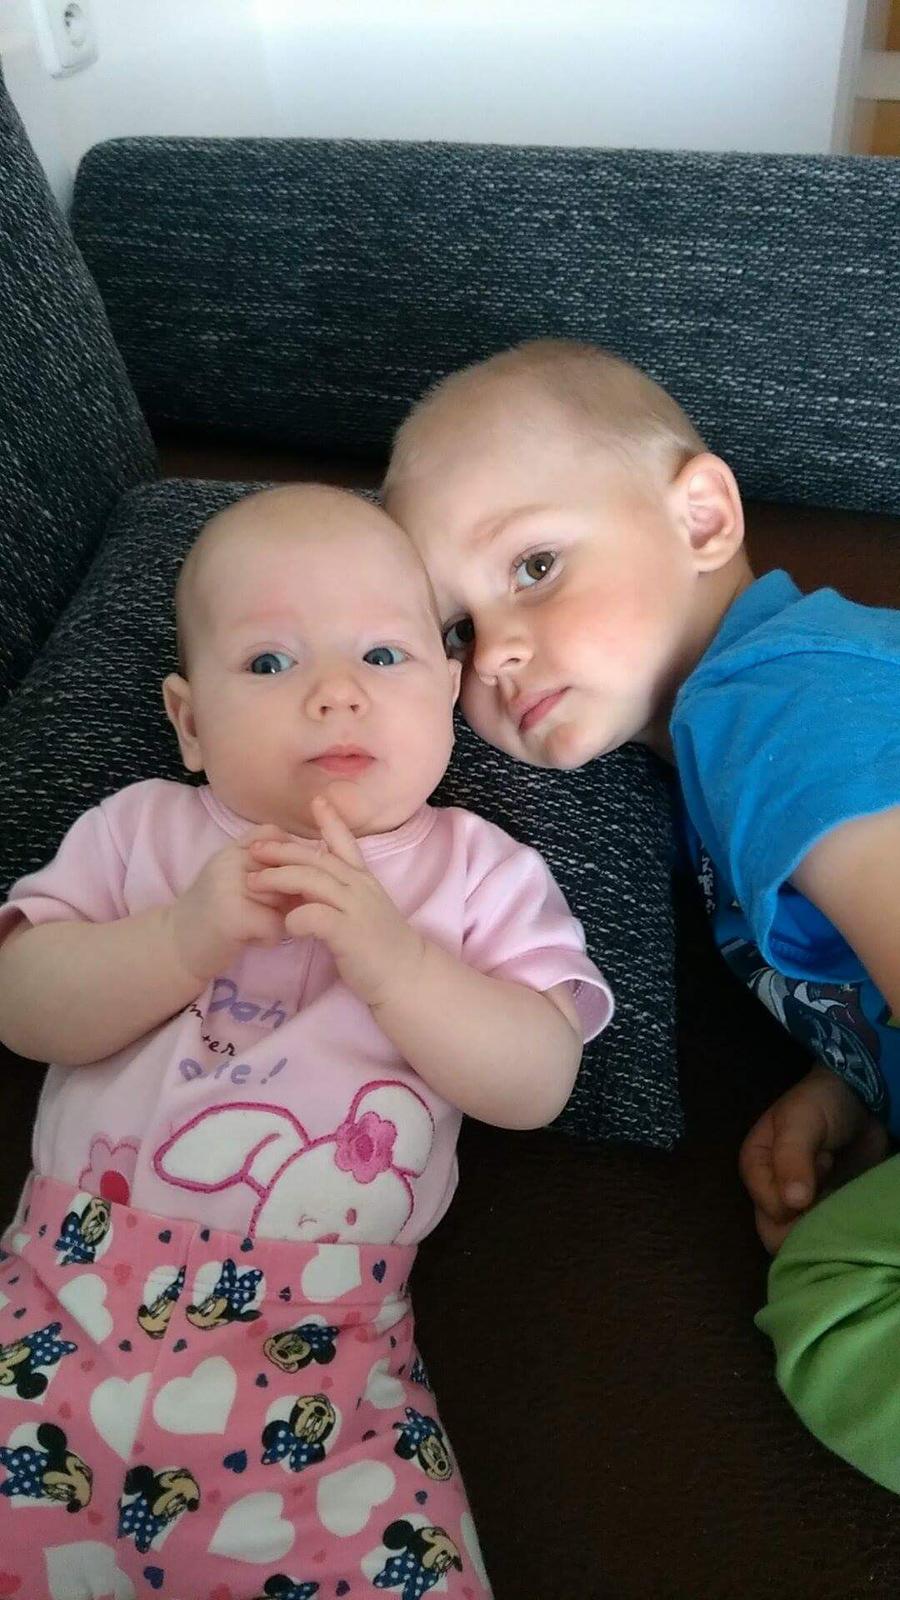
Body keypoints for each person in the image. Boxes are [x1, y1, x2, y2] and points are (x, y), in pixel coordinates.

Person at [0, 483, 611, 1598]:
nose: (334, 693)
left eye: (382, 655)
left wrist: (400, 964)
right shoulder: (140, 831)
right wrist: (179, 940)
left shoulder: (480, 873)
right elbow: (21, 1004)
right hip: (55, 1306)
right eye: (271, 662)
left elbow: (540, 1081)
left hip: (321, 1358)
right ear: (190, 721)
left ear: (448, 689)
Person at [382, 337, 899, 1258]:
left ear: (702, 520)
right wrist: (858, 1084)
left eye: (535, 566)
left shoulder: (776, 704)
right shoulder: (710, 757)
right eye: (456, 630)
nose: (493, 653)